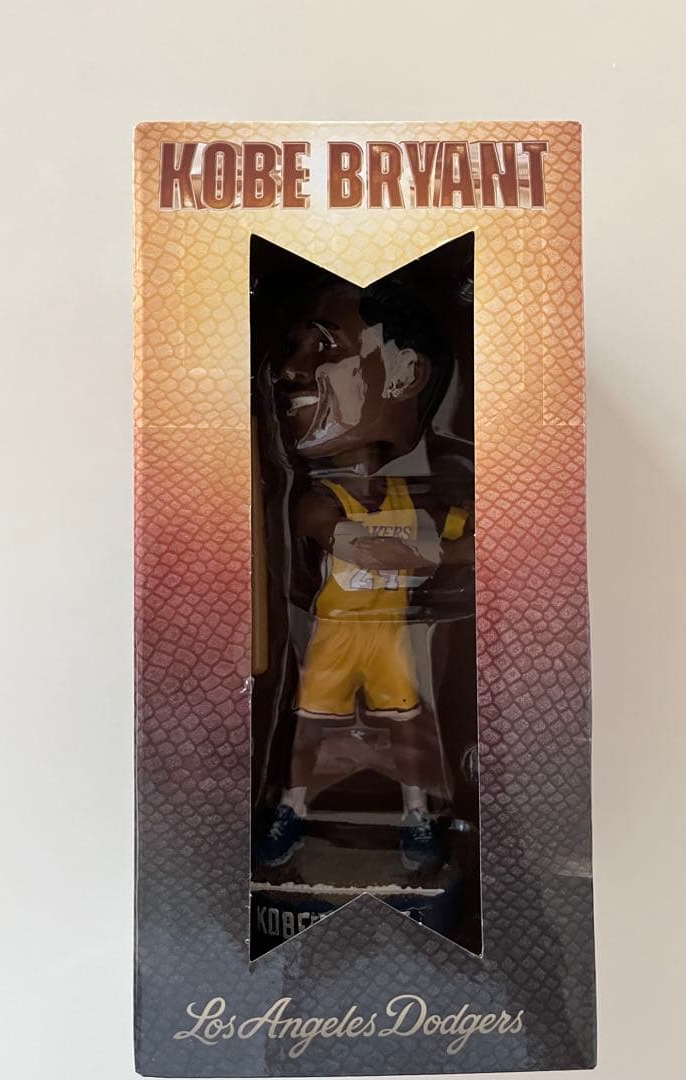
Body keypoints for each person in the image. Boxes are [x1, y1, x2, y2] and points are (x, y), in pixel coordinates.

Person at [254, 272, 474, 873]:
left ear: (405, 374)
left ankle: (417, 813)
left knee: (409, 727)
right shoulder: (316, 502)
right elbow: (367, 550)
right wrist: (446, 550)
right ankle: (292, 807)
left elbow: (473, 539)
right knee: (309, 730)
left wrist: (466, 530)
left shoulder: (410, 495)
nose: (286, 371)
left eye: (323, 346)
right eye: (291, 350)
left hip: (389, 637)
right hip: (336, 635)